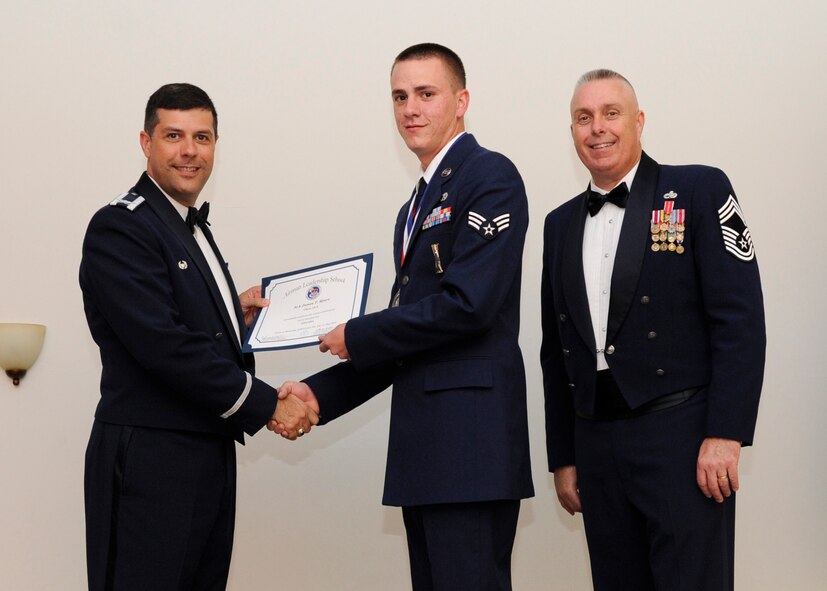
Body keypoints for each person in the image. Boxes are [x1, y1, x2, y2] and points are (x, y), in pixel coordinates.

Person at [278, 43, 534, 590]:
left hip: (470, 453)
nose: (410, 108)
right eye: (399, 96)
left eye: (426, 94)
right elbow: (410, 337)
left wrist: (358, 332)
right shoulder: (413, 207)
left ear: (461, 101)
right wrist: (319, 395)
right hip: (428, 454)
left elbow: (468, 306)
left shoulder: (490, 176)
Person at [80, 82, 318, 591]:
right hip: (151, 459)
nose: (189, 151)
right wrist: (268, 403)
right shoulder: (119, 227)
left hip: (204, 451)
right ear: (145, 143)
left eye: (203, 137)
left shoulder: (187, 226)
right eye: (174, 135)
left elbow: (175, 318)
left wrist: (234, 319)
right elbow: (163, 343)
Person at [540, 69, 765, 590]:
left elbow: (740, 320)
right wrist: (564, 456)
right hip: (596, 443)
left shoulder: (698, 188)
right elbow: (558, 350)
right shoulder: (558, 223)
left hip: (682, 437)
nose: (598, 128)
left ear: (639, 121)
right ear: (572, 130)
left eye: (611, 113)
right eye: (583, 117)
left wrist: (725, 433)